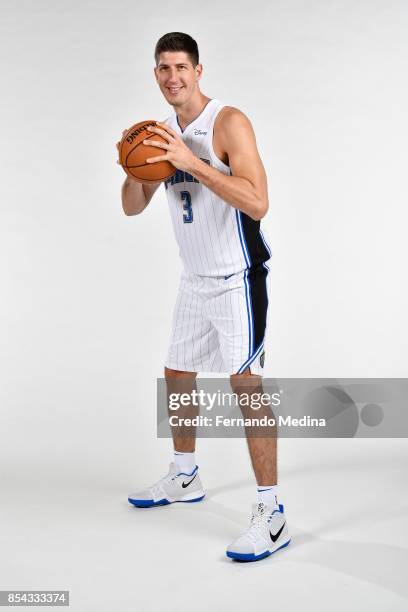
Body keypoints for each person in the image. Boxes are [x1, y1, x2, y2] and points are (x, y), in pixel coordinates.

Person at [120, 32, 290, 562]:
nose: (173, 77)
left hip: (238, 277)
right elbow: (131, 206)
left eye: (182, 67)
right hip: (193, 278)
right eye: (164, 68)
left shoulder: (227, 122)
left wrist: (190, 162)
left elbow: (258, 203)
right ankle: (185, 475)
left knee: (247, 387)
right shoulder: (158, 132)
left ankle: (272, 512)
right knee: (177, 373)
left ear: (198, 71)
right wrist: (132, 163)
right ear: (156, 75)